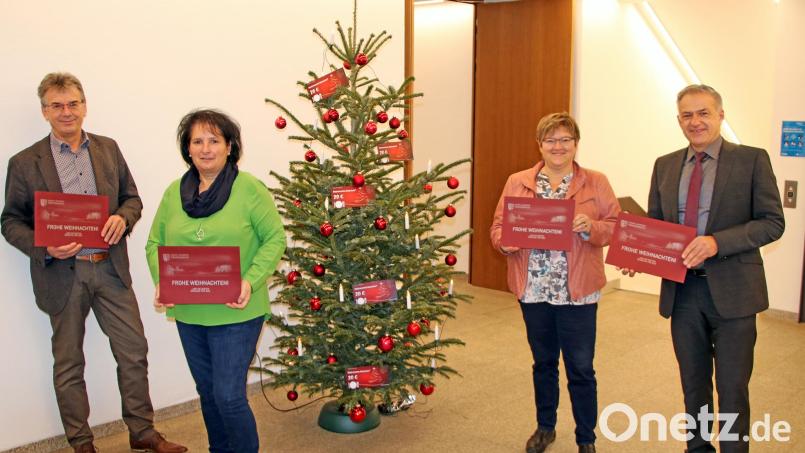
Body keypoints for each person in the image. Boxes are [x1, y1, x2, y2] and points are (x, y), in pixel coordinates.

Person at [0, 73, 186, 453]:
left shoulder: (107, 149)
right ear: (44, 111)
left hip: (110, 269)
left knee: (133, 350)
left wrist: (123, 218)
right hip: (61, 275)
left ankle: (142, 431)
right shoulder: (24, 162)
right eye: (57, 105)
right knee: (69, 364)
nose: (66, 112)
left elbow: (132, 199)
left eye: (73, 103)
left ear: (84, 106)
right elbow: (10, 222)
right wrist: (47, 247)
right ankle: (82, 443)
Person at [642, 84, 784, 452]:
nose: (696, 121)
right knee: (693, 385)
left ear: (721, 115)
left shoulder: (751, 160)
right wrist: (639, 252)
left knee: (733, 388)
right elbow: (657, 225)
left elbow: (772, 222)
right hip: (684, 293)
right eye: (687, 115)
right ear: (679, 121)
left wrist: (717, 242)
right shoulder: (665, 165)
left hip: (735, 294)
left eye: (703, 113)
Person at [146, 109, 286, 453]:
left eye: (214, 140)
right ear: (188, 149)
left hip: (237, 311)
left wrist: (250, 281)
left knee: (229, 396)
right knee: (208, 393)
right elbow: (154, 244)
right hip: (191, 313)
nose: (205, 148)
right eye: (197, 141)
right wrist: (162, 282)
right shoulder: (173, 193)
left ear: (229, 147)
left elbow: (275, 239)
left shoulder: (249, 188)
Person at [490, 112, 620, 453]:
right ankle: (545, 427)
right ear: (540, 145)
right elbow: (497, 228)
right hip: (533, 290)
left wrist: (590, 226)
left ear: (576, 144)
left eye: (565, 140)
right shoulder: (517, 181)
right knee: (543, 363)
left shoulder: (596, 181)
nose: (558, 147)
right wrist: (506, 242)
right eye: (551, 140)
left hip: (578, 292)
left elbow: (616, 225)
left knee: (580, 368)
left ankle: (585, 438)